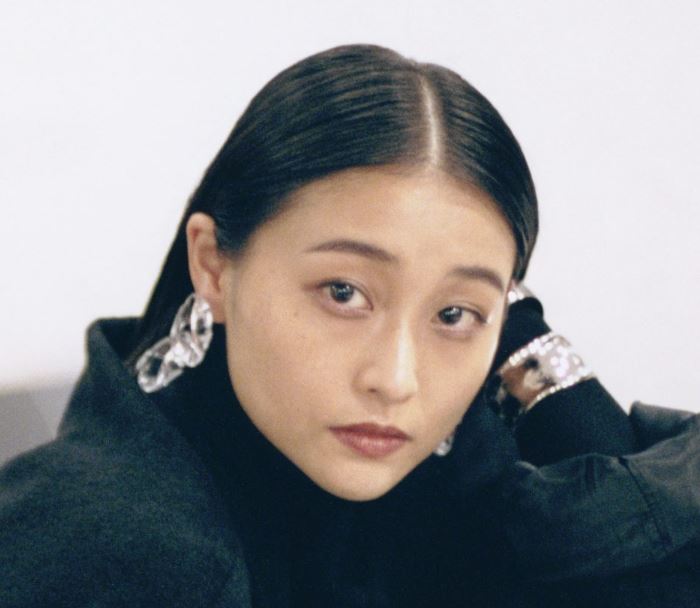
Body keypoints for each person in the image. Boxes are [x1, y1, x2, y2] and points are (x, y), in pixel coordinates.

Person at [0, 44, 698, 607]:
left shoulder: (424, 487)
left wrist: (535, 361)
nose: (395, 379)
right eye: (343, 293)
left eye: (454, 314)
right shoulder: (117, 558)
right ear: (212, 265)